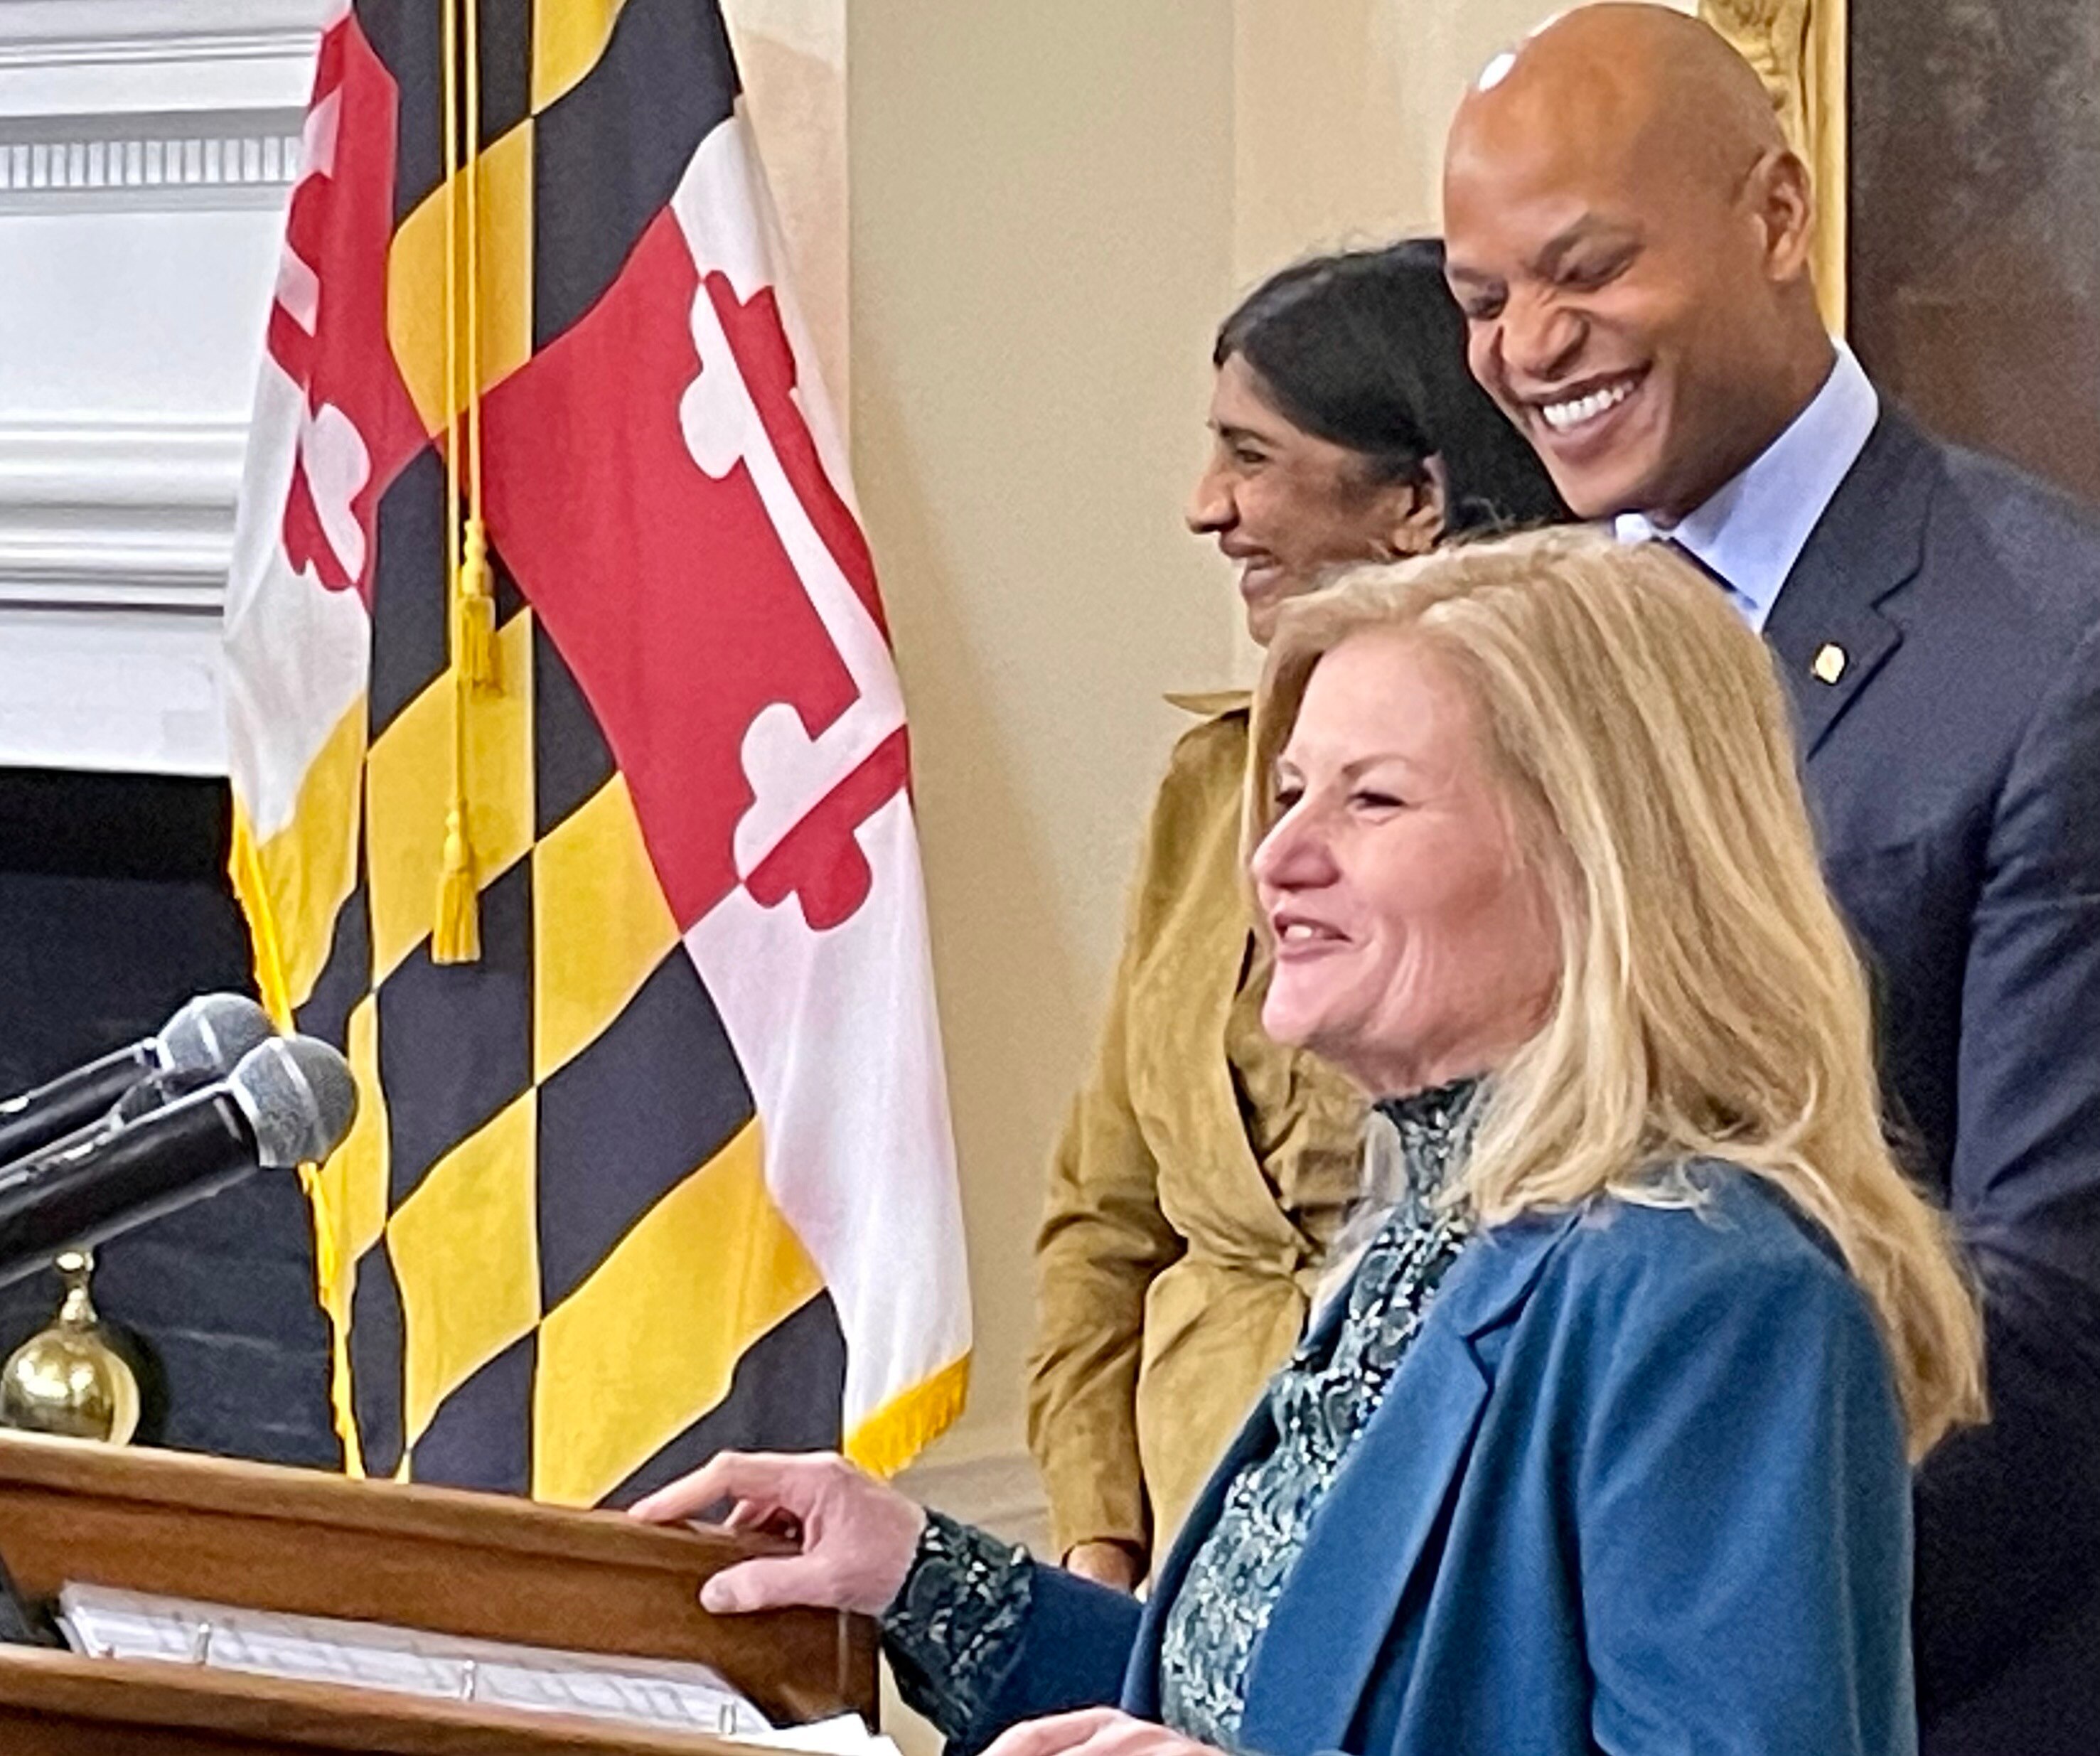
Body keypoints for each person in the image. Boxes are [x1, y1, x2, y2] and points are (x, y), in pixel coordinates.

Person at [638, 530, 1984, 1756]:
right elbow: (1265, 1703)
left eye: (1371, 801)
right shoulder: (1436, 1229)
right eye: (1288, 794)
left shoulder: (1714, 1292)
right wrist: (922, 1575)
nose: (1274, 857)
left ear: (1596, 861)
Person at [1440, 10, 2100, 1749]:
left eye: (1585, 268)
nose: (1529, 346)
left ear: (1777, 216)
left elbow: (2047, 1317)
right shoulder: (1501, 654)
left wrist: (1628, 1629)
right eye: (1481, 299)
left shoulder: (2050, 644)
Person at [1028, 240, 1565, 1591]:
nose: (1204, 506)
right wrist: (1097, 1552)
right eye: (1296, 795)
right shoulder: (1206, 788)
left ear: (1416, 499)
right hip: (1171, 1569)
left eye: (1250, 455)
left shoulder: (1562, 809)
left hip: (1428, 1556)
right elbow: (1103, 1213)